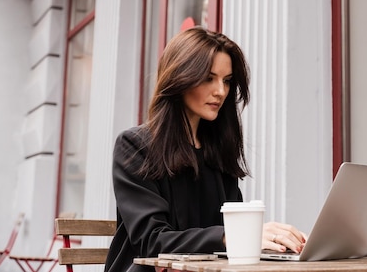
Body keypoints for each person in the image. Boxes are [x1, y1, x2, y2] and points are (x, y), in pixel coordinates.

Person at [104, 27, 307, 272]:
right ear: (180, 78)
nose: (220, 91)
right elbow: (152, 242)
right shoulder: (134, 147)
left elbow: (231, 234)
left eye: (227, 81)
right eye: (208, 78)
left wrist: (273, 243)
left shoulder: (218, 151)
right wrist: (233, 236)